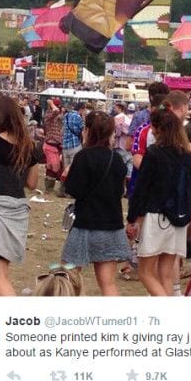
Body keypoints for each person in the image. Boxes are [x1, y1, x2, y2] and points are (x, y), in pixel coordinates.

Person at [127, 104, 191, 296]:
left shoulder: (154, 153)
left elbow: (142, 188)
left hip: (156, 216)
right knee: (166, 274)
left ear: (159, 129)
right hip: (179, 217)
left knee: (145, 272)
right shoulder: (186, 154)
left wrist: (132, 217)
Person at [61, 111, 130, 296]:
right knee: (108, 284)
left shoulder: (83, 157)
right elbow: (120, 191)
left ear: (88, 130)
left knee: (68, 278)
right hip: (111, 226)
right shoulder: (117, 159)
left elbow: (73, 190)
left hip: (85, 225)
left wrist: (68, 177)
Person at [0, 96, 39, 296]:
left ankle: (16, 321)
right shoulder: (30, 146)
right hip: (19, 209)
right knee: (1, 273)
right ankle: (1, 321)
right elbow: (32, 184)